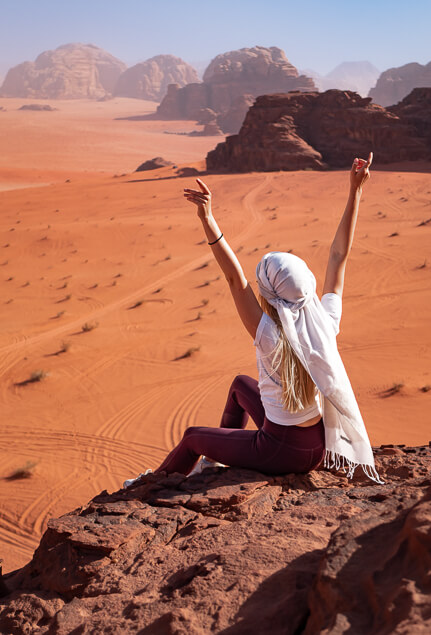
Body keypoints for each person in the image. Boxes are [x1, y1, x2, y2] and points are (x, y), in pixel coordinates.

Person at [123, 153, 382, 489]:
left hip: (282, 451)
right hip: (318, 444)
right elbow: (338, 255)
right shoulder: (325, 318)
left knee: (190, 437)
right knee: (239, 386)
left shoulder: (270, 333)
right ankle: (216, 460)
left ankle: (149, 487)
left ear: (270, 294)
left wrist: (207, 218)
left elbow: (234, 278)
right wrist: (355, 191)